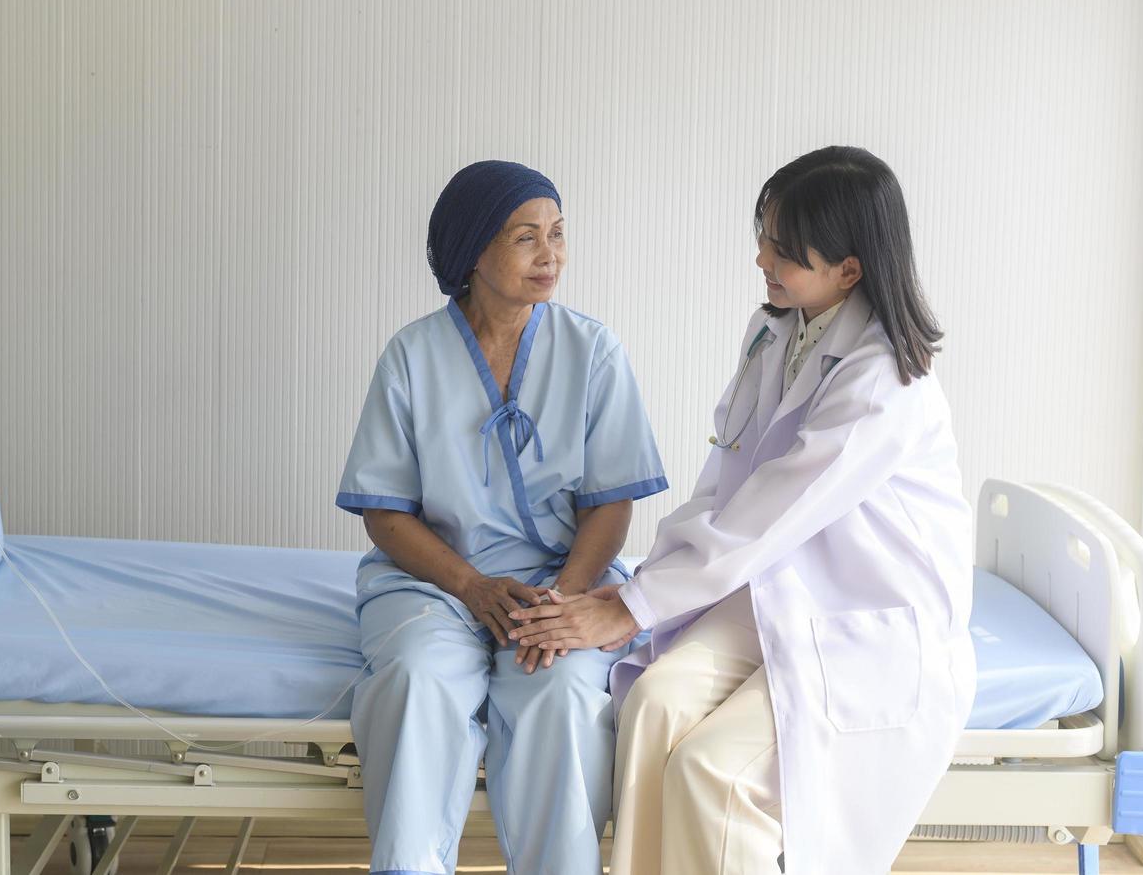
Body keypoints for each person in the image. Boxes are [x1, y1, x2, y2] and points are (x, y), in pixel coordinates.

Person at [510, 146, 976, 874]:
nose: (759, 256)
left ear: (847, 270)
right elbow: (724, 490)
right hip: (780, 588)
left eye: (782, 249)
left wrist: (632, 607)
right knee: (654, 704)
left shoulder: (883, 379)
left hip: (866, 617)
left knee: (712, 777)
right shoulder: (775, 333)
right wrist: (636, 593)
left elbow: (769, 514)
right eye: (763, 233)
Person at [336, 160, 668, 875]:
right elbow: (385, 515)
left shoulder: (592, 350)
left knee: (565, 691)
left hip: (564, 579)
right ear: (471, 250)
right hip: (433, 582)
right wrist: (472, 588)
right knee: (416, 679)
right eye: (525, 237)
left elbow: (611, 500)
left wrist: (566, 599)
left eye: (556, 233)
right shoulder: (411, 357)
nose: (550, 255)